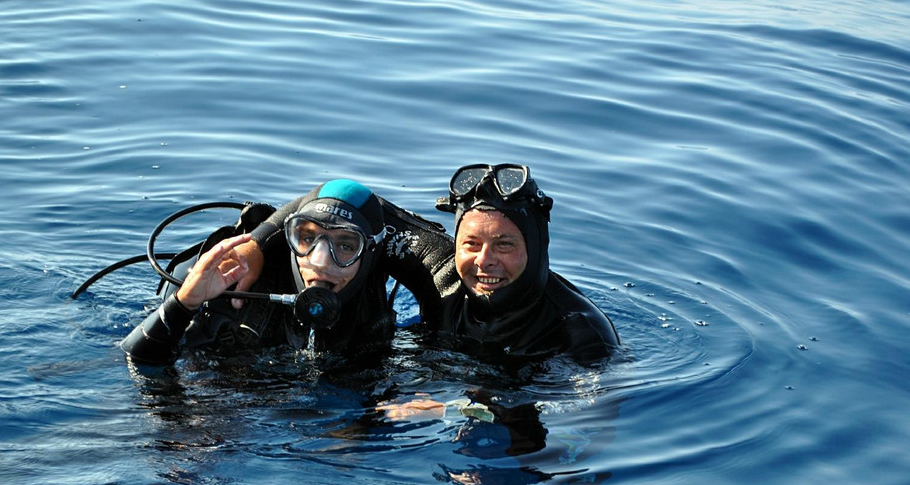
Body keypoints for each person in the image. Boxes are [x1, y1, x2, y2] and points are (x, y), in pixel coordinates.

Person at [245, 163, 619, 366]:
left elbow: (587, 421)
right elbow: (347, 196)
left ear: (537, 247)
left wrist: (454, 410)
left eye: (504, 245)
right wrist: (255, 245)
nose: (484, 261)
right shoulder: (445, 277)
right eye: (470, 243)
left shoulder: (581, 334)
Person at [119, 179, 402, 366]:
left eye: (345, 245)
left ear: (370, 254)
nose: (319, 261)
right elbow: (137, 360)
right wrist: (184, 303)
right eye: (306, 238)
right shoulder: (233, 285)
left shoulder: (373, 306)